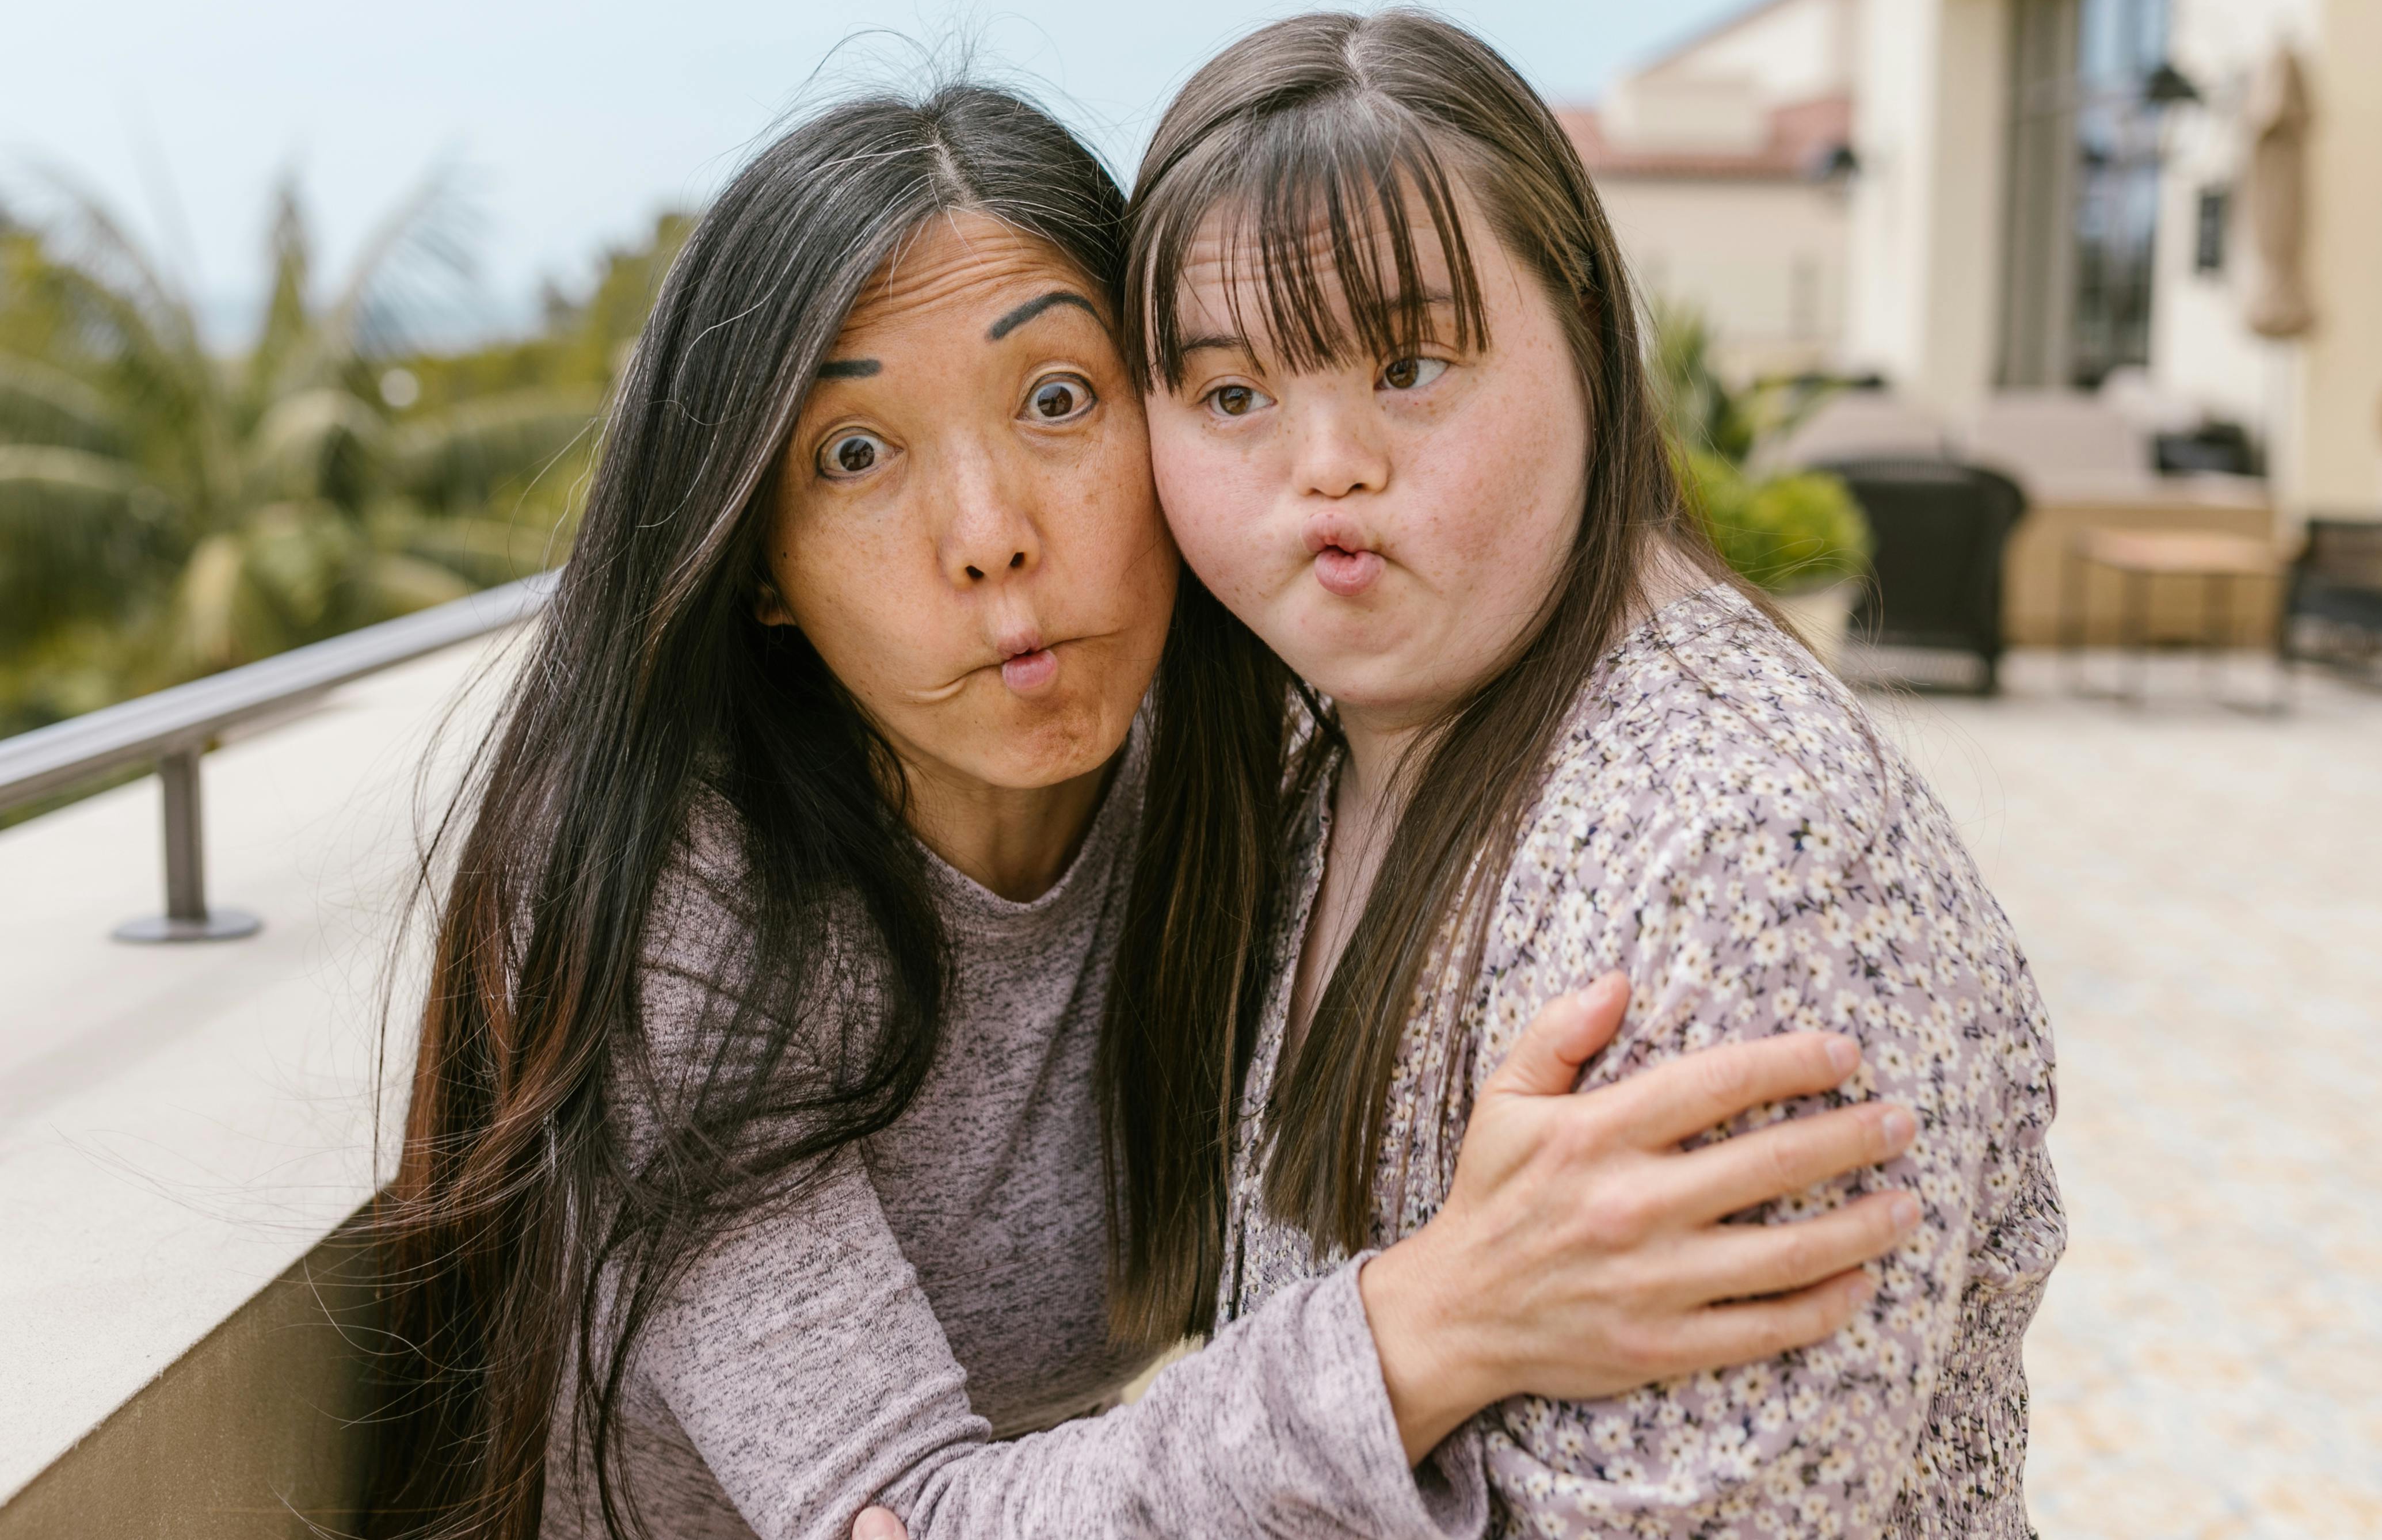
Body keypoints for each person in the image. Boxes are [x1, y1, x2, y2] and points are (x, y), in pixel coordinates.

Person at [364, 80, 1919, 1540]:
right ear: (758, 561)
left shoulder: (1239, 767)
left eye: (1056, 399)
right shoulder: (685, 889)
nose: (988, 537)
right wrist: (1433, 1320)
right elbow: (925, 1521)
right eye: (854, 455)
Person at [1108, 9, 2067, 1538]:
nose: (1324, 463)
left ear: (1590, 336)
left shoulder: (1739, 853)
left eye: (1410, 363)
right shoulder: (1322, 752)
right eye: (1232, 398)